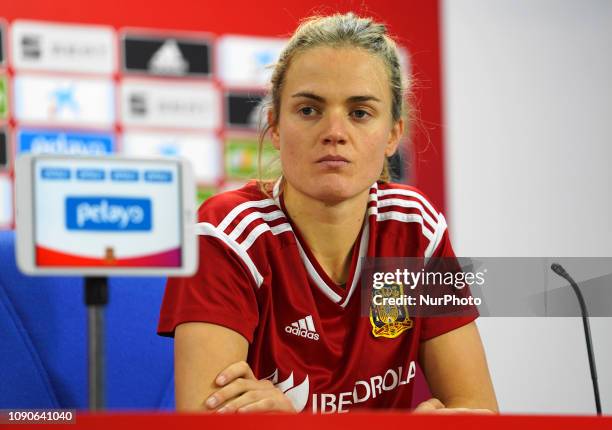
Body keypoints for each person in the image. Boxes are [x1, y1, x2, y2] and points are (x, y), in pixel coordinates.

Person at [157, 12, 498, 414]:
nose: (334, 131)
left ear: (392, 134)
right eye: (308, 110)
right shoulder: (224, 233)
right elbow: (206, 419)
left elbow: (479, 411)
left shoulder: (415, 229)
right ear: (276, 126)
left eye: (359, 113)